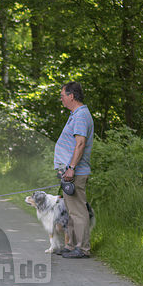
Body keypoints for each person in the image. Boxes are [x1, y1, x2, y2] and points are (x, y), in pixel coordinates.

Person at [54, 81, 94, 258]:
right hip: (69, 173)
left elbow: (80, 143)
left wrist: (71, 168)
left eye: (62, 95)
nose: (61, 99)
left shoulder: (80, 116)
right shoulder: (76, 114)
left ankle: (82, 248)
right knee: (71, 211)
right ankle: (71, 245)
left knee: (78, 211)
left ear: (71, 96)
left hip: (75, 173)